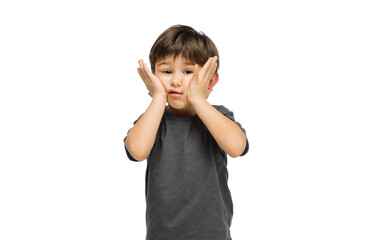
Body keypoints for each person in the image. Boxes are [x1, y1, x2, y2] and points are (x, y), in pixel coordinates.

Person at [123, 24, 249, 240]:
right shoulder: (154, 121)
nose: (175, 81)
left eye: (188, 71)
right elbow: (137, 150)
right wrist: (158, 98)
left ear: (211, 80)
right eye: (166, 71)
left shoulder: (218, 116)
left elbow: (236, 147)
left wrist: (198, 98)